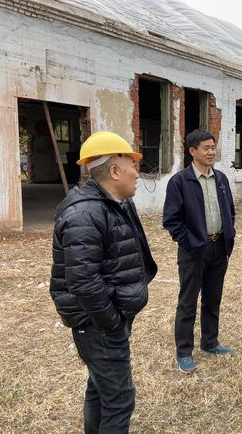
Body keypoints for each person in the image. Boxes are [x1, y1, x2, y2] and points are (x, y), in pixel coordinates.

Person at [50, 131, 158, 433]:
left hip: (107, 318)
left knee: (100, 388)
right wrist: (111, 323)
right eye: (132, 166)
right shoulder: (85, 213)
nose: (137, 173)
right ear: (114, 171)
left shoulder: (116, 203)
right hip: (98, 323)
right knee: (120, 400)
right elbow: (83, 282)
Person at [163, 129, 236, 373]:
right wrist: (191, 242)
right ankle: (184, 352)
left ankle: (210, 342)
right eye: (206, 148)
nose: (211, 152)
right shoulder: (180, 182)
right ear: (192, 151)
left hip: (219, 247)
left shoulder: (221, 179)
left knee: (213, 298)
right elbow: (171, 220)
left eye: (213, 147)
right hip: (193, 251)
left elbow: (230, 210)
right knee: (188, 302)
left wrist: (229, 235)